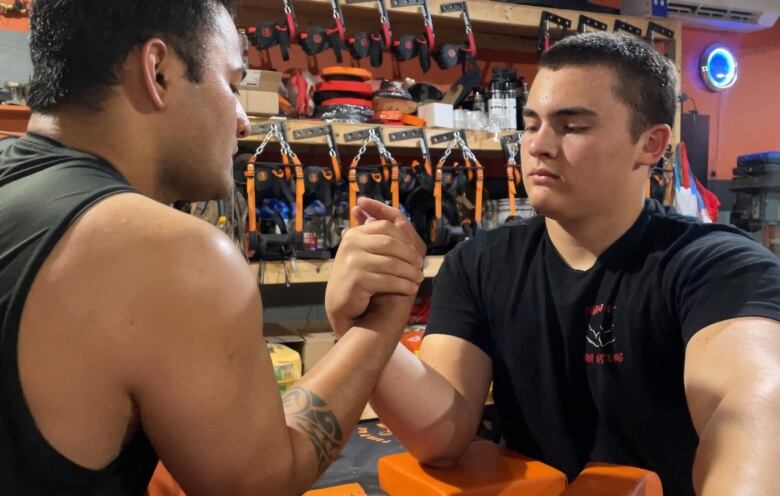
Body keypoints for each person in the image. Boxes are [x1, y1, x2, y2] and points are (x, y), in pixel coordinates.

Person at [327, 32, 780, 495]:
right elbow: (443, 434)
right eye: (531, 124)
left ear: (650, 144)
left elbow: (751, 409)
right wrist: (365, 326)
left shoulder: (717, 267)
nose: (538, 146)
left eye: (573, 126)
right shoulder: (480, 263)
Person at [0, 1, 424, 494]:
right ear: (157, 71)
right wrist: (378, 326)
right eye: (233, 83)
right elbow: (263, 482)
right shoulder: (168, 253)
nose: (244, 121)